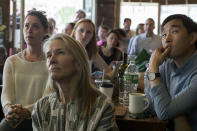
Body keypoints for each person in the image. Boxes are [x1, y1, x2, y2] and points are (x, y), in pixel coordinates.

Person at [32, 33, 118, 131]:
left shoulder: (102, 107)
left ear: (78, 62)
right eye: (48, 55)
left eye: (59, 53)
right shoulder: (41, 108)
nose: (51, 60)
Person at [145, 14, 197, 130]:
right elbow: (149, 99)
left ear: (192, 38)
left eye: (174, 31)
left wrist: (153, 66)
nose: (167, 38)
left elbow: (164, 112)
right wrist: (177, 112)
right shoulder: (168, 64)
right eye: (163, 34)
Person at [0, 10, 49, 131]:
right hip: (15, 117)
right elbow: (6, 94)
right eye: (26, 25)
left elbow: (49, 97)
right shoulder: (12, 61)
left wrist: (26, 111)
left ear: (45, 31)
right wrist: (8, 109)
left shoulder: (50, 62)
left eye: (35, 26)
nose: (29, 30)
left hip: (42, 119)